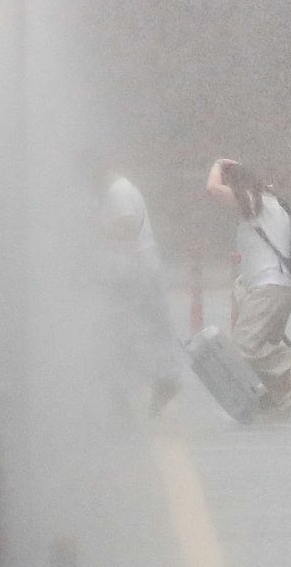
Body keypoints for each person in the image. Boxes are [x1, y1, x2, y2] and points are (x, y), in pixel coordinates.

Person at [205, 159, 291, 417]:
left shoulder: (255, 201)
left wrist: (218, 165)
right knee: (262, 345)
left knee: (244, 347)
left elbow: (212, 189)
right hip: (278, 288)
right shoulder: (270, 204)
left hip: (269, 288)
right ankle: (280, 399)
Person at [93, 157, 181, 417]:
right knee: (142, 330)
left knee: (127, 332)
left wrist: (94, 228)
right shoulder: (120, 189)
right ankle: (152, 384)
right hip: (135, 272)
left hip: (136, 273)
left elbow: (128, 226)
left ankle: (136, 392)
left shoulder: (118, 190)